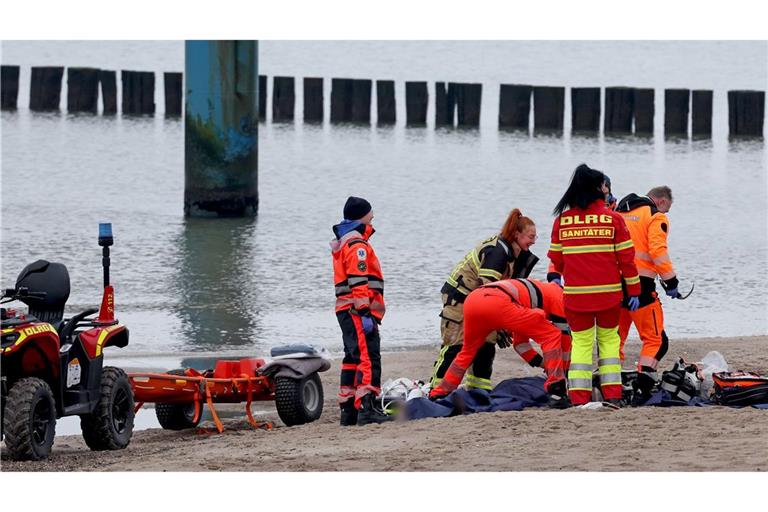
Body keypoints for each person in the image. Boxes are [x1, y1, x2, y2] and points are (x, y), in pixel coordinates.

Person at [548, 164, 641, 406]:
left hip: (576, 298)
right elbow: (627, 262)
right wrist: (635, 291)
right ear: (597, 189)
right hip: (609, 297)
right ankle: (613, 396)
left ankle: (579, 398)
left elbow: (556, 261)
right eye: (602, 185)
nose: (605, 189)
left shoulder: (562, 222)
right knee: (609, 342)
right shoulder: (614, 219)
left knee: (581, 344)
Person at [431, 209, 539, 393]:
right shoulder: (497, 253)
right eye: (531, 236)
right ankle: (437, 391)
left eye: (536, 237)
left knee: (486, 347)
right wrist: (501, 325)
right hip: (460, 300)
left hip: (478, 301)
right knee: (455, 347)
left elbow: (503, 293)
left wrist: (501, 325)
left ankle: (478, 391)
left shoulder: (514, 252)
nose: (534, 241)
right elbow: (488, 294)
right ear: (516, 234)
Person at [428, 278, 571, 408]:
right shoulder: (560, 297)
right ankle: (556, 390)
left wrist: (543, 364)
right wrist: (563, 373)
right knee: (552, 335)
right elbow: (564, 343)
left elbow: (520, 344)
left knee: (467, 352)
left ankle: (440, 392)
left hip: (473, 300)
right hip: (498, 301)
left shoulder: (535, 296)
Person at [331, 196, 392, 426]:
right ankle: (367, 407)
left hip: (346, 310)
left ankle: (348, 409)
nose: (373, 216)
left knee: (352, 358)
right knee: (368, 358)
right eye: (370, 213)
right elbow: (359, 281)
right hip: (358, 311)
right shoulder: (357, 246)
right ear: (361, 216)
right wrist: (365, 312)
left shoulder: (345, 242)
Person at [615, 186, 680, 401]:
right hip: (641, 287)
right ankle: (642, 389)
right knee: (656, 341)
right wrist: (671, 281)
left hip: (615, 285)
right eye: (667, 209)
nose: (666, 213)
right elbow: (657, 250)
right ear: (661, 201)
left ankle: (610, 385)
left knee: (615, 340)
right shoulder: (655, 216)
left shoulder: (619, 212)